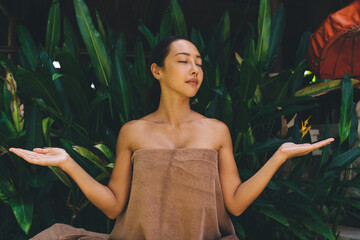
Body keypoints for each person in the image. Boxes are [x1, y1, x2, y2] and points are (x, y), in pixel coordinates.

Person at [9, 36, 334, 240]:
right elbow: (114, 207)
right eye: (183, 61)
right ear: (157, 70)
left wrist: (279, 156)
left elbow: (234, 203)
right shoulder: (133, 132)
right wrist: (68, 163)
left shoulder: (216, 130)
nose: (194, 69)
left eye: (198, 63)